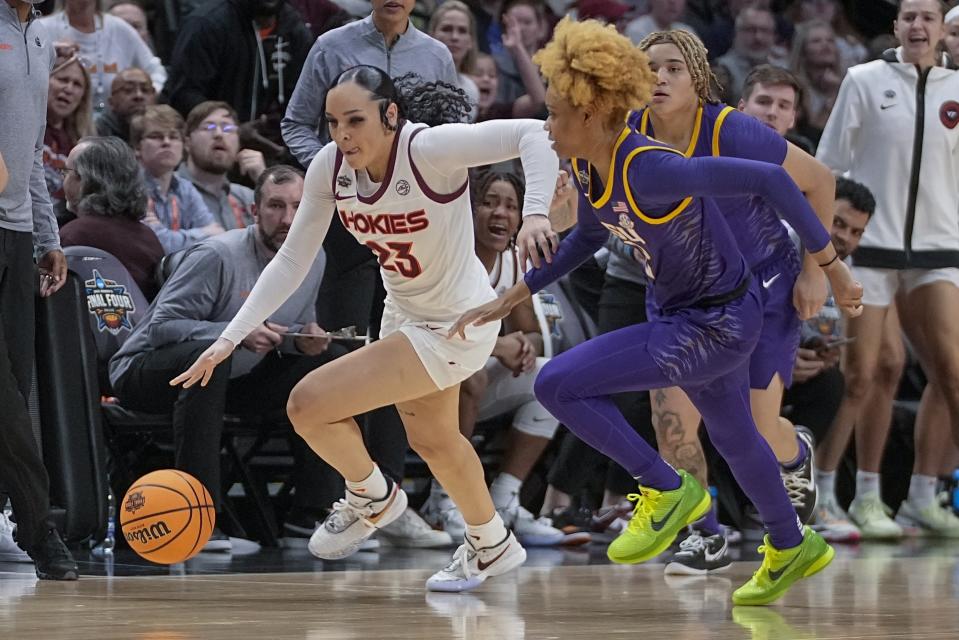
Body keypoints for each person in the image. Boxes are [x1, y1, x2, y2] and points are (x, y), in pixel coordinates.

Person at [452, 18, 861, 606]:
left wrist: (831, 268)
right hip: (687, 310)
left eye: (556, 113)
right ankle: (790, 542)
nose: (546, 125)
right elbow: (589, 233)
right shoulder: (594, 164)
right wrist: (509, 297)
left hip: (717, 319)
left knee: (559, 383)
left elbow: (776, 180)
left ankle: (665, 489)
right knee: (734, 432)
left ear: (591, 112)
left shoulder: (652, 166)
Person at [172, 65, 559, 592]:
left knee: (307, 404)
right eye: (333, 122)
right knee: (436, 439)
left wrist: (535, 212)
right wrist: (227, 339)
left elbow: (534, 133)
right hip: (403, 312)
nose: (342, 134)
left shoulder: (429, 151)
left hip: (457, 322)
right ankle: (491, 542)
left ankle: (370, 494)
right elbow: (290, 260)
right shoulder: (330, 167)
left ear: (391, 115)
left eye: (355, 120)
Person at [618, 34, 836, 570]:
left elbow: (821, 181)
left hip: (761, 285)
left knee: (756, 429)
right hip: (682, 293)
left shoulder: (731, 129)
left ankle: (795, 451)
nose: (661, 78)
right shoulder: (629, 134)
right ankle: (704, 533)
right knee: (671, 417)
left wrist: (816, 271)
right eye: (651, 69)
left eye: (674, 68)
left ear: (699, 79)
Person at [280, 0, 461, 549]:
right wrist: (338, 176)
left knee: (402, 359)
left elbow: (455, 135)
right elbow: (296, 122)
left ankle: (393, 500)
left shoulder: (436, 55)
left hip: (415, 227)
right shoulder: (332, 45)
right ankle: (334, 498)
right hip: (350, 221)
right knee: (343, 354)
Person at [110, 165, 341, 551]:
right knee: (209, 359)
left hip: (233, 378)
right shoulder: (218, 255)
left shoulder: (314, 258)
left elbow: (281, 331)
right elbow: (160, 328)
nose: (287, 219)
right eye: (275, 206)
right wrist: (233, 333)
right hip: (146, 372)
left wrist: (302, 341)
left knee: (330, 365)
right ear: (254, 212)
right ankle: (202, 520)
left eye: (297, 208)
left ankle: (312, 513)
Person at [815, 0, 959, 539]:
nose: (918, 26)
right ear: (896, 26)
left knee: (952, 373)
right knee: (867, 373)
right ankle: (841, 494)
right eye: (909, 17)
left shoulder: (956, 90)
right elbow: (829, 163)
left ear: (944, 28)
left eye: (928, 17)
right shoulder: (864, 79)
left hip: (939, 249)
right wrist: (825, 244)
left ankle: (924, 495)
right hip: (870, 248)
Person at [420, 170, 565, 547]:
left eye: (511, 206)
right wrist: (498, 346)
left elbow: (529, 330)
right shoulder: (452, 255)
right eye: (489, 203)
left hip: (470, 382)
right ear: (469, 210)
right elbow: (439, 329)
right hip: (422, 384)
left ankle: (505, 500)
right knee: (470, 374)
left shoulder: (515, 262)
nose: (500, 213)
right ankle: (442, 497)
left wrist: (526, 345)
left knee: (554, 379)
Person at [0, 0, 78, 581]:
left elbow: (28, 151)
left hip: (17, 231)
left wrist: (45, 233)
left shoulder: (41, 40)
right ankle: (37, 527)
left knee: (18, 385)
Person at [164, 0, 314, 152]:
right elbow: (183, 94)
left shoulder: (295, 28)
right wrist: (231, 129)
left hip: (271, 151)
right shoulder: (206, 24)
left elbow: (303, 102)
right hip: (210, 148)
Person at [59, 137, 165, 300]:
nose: (63, 180)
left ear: (86, 180)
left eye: (66, 172)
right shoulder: (149, 238)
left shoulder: (74, 235)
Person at [39, 0, 166, 112]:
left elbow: (155, 71)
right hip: (59, 123)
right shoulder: (42, 28)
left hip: (115, 124)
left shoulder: (120, 28)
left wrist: (147, 94)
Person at [132, 105, 225, 253]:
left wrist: (172, 237)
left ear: (184, 145)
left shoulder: (186, 188)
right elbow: (156, 244)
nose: (166, 142)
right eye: (156, 136)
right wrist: (204, 233)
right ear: (137, 147)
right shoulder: (130, 188)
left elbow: (218, 240)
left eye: (174, 137)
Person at [179, 101, 264, 231]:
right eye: (209, 128)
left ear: (239, 143)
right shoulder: (168, 192)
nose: (219, 134)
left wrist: (264, 180)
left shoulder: (247, 197)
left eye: (228, 129)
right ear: (187, 142)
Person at [42, 52, 95, 224]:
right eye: (63, 80)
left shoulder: (86, 143)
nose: (69, 89)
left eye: (77, 84)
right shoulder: (20, 125)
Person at [428, 1, 482, 118]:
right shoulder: (413, 80)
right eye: (447, 29)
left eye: (462, 31)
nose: (454, 37)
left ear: (471, 42)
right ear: (431, 36)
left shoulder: (471, 89)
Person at [94, 67, 156, 144]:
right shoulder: (96, 133)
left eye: (145, 90)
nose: (138, 95)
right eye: (128, 90)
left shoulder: (166, 128)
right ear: (111, 102)